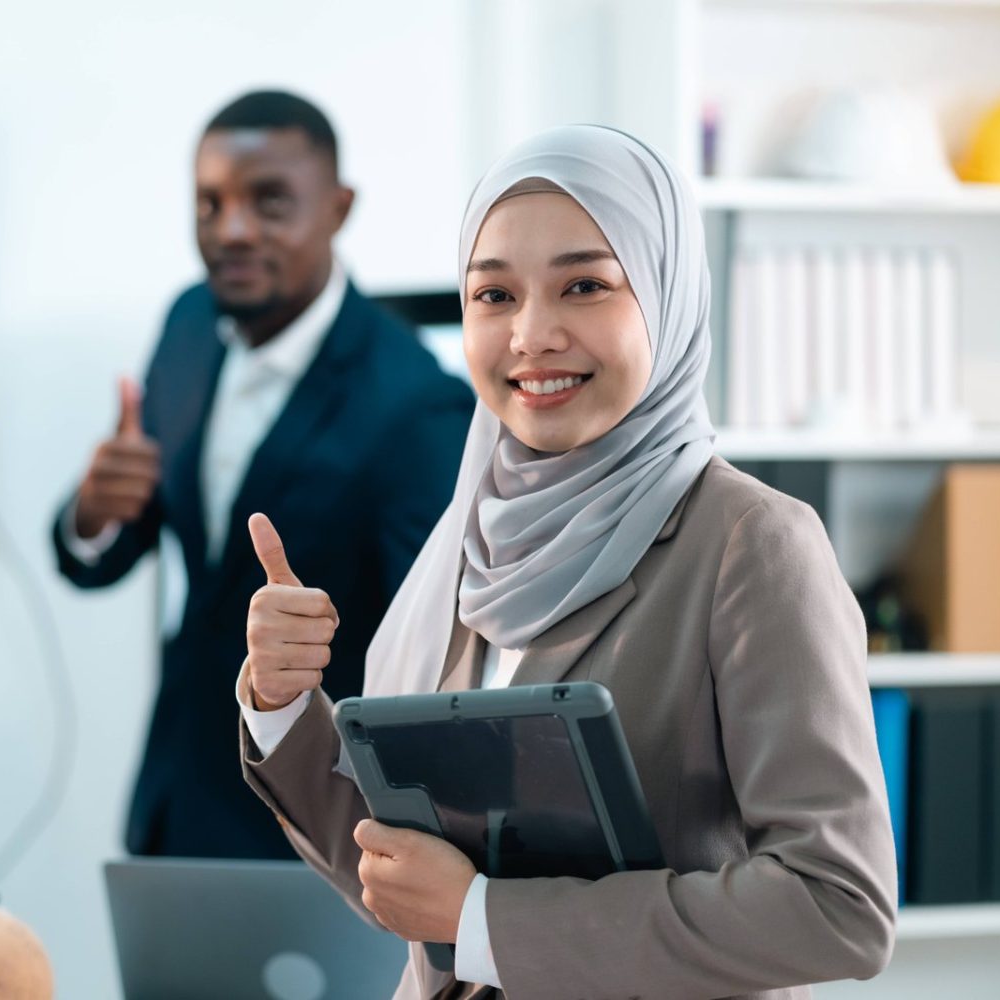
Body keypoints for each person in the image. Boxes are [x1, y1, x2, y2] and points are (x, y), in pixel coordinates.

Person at [238, 125, 896, 999]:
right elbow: (409, 872)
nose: (532, 334)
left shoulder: (751, 543)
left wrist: (483, 921)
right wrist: (283, 705)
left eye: (585, 284)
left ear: (663, 294)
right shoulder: (472, 537)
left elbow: (837, 903)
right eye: (494, 294)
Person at [52, 90, 473, 859]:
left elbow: (435, 660)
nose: (232, 230)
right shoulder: (187, 326)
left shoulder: (418, 404)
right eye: (209, 204)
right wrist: (93, 513)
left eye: (269, 202)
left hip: (317, 826)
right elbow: (126, 545)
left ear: (339, 208)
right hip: (175, 790)